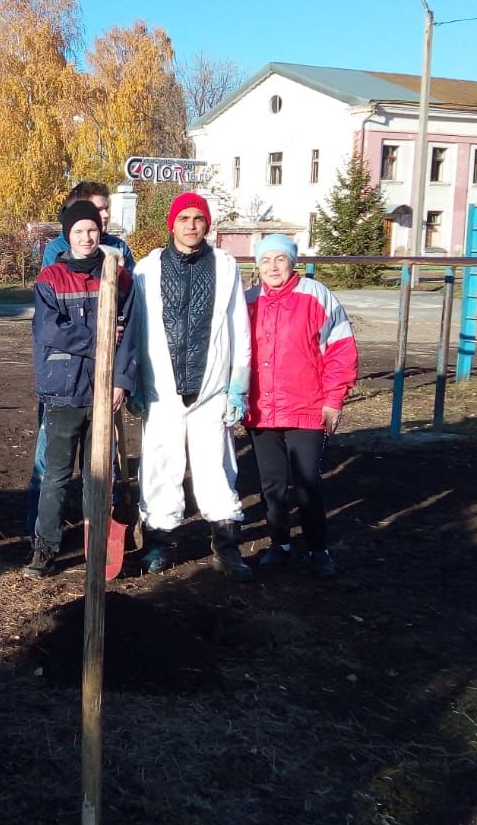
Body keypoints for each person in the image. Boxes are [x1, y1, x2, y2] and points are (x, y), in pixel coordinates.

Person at [130, 192, 253, 580]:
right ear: (172, 223)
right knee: (161, 465)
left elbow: (238, 326)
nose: (191, 225)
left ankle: (227, 546)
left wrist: (238, 384)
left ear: (207, 224)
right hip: (162, 390)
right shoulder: (147, 269)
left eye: (198, 218)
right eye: (183, 218)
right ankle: (160, 544)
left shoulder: (224, 266)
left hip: (211, 388)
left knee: (215, 465)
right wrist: (132, 379)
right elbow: (136, 327)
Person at [25, 201, 138, 577]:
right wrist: (100, 337)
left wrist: (122, 380)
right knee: (56, 474)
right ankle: (45, 549)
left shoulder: (118, 277)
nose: (87, 237)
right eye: (78, 232)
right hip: (63, 390)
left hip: (105, 391)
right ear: (67, 236)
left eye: (92, 230)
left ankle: (98, 545)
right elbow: (48, 330)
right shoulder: (51, 279)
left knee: (97, 475)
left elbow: (131, 333)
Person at [244, 234, 358, 580]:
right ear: (257, 265)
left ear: (293, 262)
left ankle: (318, 548)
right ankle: (279, 544)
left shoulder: (315, 296)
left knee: (307, 481)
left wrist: (333, 399)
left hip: (306, 407)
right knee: (272, 483)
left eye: (280, 259)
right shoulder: (249, 300)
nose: (273, 267)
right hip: (261, 409)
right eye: (266, 260)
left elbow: (340, 349)